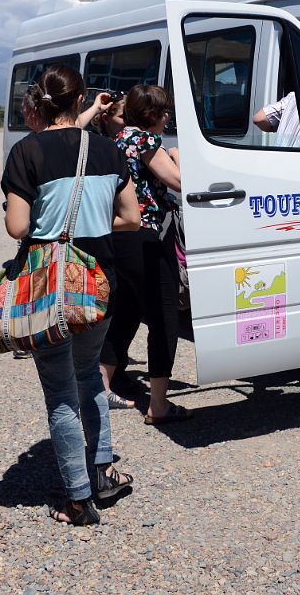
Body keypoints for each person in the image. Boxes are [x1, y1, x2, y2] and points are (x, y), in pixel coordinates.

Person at [1, 65, 142, 526]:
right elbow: (132, 219)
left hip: (50, 287)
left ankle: (78, 500)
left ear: (38, 103)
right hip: (99, 282)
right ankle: (102, 472)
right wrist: (91, 226)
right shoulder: (107, 149)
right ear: (80, 100)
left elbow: (18, 227)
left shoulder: (26, 152)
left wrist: (52, 226)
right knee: (89, 378)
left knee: (60, 392)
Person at [101, 84, 190, 425]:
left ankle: (103, 384)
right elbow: (178, 181)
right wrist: (179, 156)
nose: (168, 117)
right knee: (164, 317)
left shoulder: (117, 139)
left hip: (119, 235)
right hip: (145, 237)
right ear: (154, 114)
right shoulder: (147, 141)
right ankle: (158, 404)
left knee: (125, 309)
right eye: (166, 112)